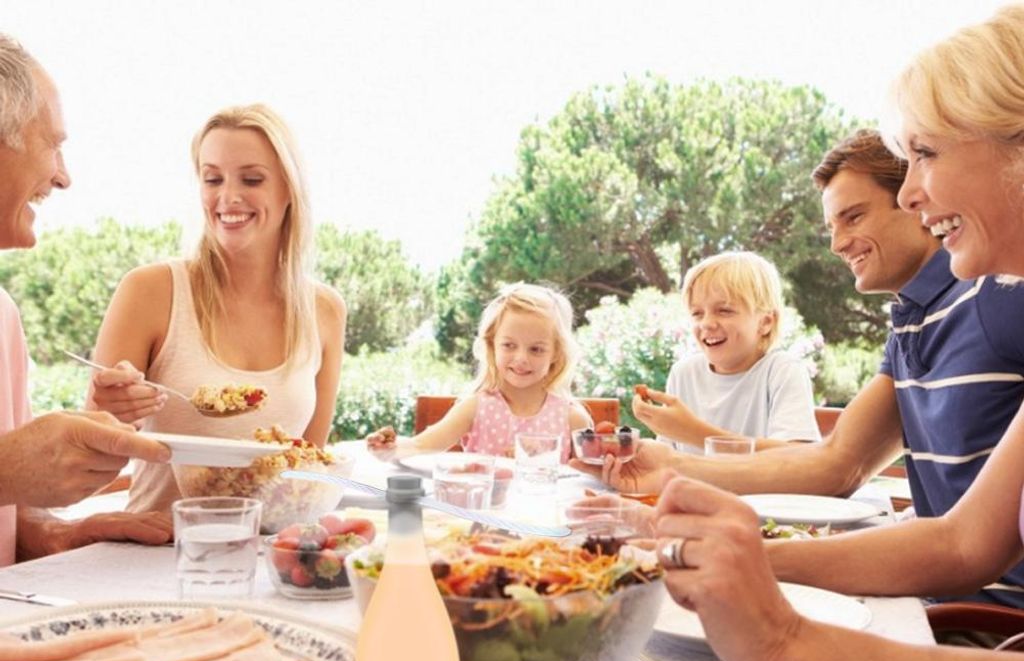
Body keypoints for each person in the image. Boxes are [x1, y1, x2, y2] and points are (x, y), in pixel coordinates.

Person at [653, 5, 1024, 661]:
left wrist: (784, 639)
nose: (915, 194)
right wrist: (749, 564)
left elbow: (839, 471)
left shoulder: (996, 303)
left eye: (925, 153)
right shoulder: (914, 323)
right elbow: (960, 543)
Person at [581, 128, 1024, 608]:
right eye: (831, 226)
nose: (837, 244)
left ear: (915, 206)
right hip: (937, 601)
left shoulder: (998, 294)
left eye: (853, 216)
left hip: (986, 626)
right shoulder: (910, 323)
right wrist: (669, 468)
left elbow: (963, 545)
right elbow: (837, 461)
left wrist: (733, 551)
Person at [88, 104, 347, 514]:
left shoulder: (324, 311)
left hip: (266, 558)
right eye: (212, 179)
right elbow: (91, 453)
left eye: (252, 179)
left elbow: (307, 470)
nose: (228, 198)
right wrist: (109, 412)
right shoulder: (149, 291)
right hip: (152, 553)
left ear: (289, 191)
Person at [0, 34, 171, 566]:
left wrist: (58, 536)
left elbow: (11, 517)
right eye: (52, 143)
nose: (63, 176)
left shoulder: (3, 313)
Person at [367, 283, 591, 460]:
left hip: (545, 517)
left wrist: (539, 461)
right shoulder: (476, 407)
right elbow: (421, 445)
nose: (521, 358)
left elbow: (586, 481)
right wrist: (388, 447)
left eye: (536, 349)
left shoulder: (572, 418)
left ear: (556, 354)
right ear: (492, 345)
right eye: (509, 345)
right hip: (479, 515)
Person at [632, 250, 819, 453]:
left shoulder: (781, 371)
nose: (707, 323)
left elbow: (797, 457)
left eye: (725, 311)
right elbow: (666, 457)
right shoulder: (683, 373)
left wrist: (694, 433)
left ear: (765, 322)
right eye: (697, 313)